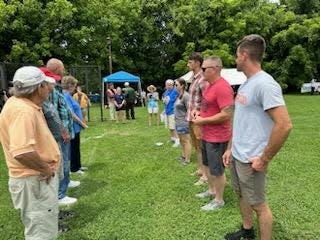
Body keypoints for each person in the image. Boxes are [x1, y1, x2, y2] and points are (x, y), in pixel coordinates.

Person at [223, 34, 293, 240]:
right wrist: (229, 148)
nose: (235, 60)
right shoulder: (246, 84)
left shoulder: (266, 84)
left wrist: (264, 159)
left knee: (260, 206)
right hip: (238, 154)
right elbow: (240, 120)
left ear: (244, 55)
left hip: (252, 159)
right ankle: (247, 230)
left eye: (237, 55)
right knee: (242, 194)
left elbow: (285, 125)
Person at [0, 66, 61, 239]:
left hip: (33, 180)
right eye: (45, 84)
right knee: (41, 233)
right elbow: (22, 151)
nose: (50, 88)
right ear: (38, 87)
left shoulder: (19, 104)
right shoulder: (23, 111)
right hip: (35, 181)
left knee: (40, 228)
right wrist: (45, 169)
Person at [193, 57, 233, 211]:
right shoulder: (210, 85)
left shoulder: (223, 87)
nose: (201, 71)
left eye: (204, 69)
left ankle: (219, 200)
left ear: (215, 69)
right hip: (207, 134)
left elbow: (226, 114)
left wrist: (203, 121)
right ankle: (211, 190)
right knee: (207, 165)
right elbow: (207, 106)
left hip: (218, 136)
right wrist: (198, 113)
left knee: (217, 170)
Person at [41, 58, 79, 206]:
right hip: (59, 133)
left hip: (64, 131)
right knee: (61, 160)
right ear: (56, 69)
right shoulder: (49, 87)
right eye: (62, 69)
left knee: (65, 159)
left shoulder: (55, 86)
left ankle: (66, 182)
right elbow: (51, 112)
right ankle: (60, 194)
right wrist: (62, 130)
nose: (63, 72)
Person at [186, 52, 209, 186]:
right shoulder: (194, 78)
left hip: (198, 119)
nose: (188, 64)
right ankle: (201, 169)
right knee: (196, 147)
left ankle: (206, 175)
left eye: (190, 62)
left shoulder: (202, 79)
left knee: (201, 147)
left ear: (197, 63)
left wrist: (201, 117)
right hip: (191, 118)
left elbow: (207, 100)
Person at [62, 76, 88, 175]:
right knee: (73, 148)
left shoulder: (69, 95)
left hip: (76, 127)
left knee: (76, 147)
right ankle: (74, 168)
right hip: (72, 126)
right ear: (70, 85)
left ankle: (78, 165)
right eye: (74, 85)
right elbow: (71, 113)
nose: (75, 88)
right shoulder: (65, 96)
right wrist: (82, 124)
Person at [174, 78, 191, 165]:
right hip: (178, 122)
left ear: (182, 85)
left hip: (183, 123)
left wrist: (187, 122)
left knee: (186, 141)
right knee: (181, 140)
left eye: (176, 85)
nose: (175, 86)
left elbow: (189, 109)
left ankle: (187, 159)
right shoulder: (179, 95)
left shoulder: (186, 96)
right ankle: (183, 156)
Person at [162, 79, 179, 147]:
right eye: (167, 85)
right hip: (167, 111)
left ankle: (177, 140)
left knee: (173, 127)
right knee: (170, 126)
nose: (168, 86)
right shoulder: (166, 92)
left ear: (173, 85)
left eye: (170, 85)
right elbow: (164, 100)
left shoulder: (175, 91)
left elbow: (173, 100)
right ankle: (173, 138)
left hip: (173, 111)